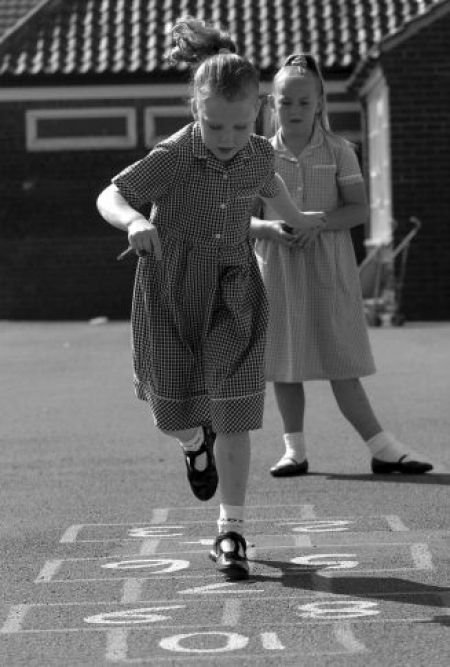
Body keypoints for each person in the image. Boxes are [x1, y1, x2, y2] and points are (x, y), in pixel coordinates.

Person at [96, 24, 324, 578]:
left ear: (259, 113)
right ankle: (194, 441)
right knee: (171, 410)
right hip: (171, 290)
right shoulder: (175, 154)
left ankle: (232, 532)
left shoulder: (256, 156)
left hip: (235, 291)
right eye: (214, 124)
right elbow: (112, 192)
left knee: (237, 410)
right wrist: (131, 221)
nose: (227, 136)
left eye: (242, 125)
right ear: (195, 109)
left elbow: (277, 194)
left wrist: (292, 222)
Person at [251, 54, 433, 477]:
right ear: (271, 105)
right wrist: (272, 228)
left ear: (319, 102)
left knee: (342, 360)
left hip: (329, 267)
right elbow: (243, 216)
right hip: (276, 267)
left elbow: (358, 210)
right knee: (283, 364)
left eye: (302, 101)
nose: (293, 110)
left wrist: (320, 225)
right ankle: (294, 451)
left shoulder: (339, 151)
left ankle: (382, 448)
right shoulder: (256, 155)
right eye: (284, 102)